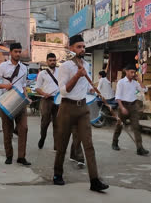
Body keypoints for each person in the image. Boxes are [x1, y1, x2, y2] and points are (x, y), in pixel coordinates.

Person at [53, 35, 109, 192]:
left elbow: (88, 87)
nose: (82, 49)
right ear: (71, 48)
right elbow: (63, 91)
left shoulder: (86, 64)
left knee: (89, 145)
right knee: (62, 144)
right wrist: (77, 75)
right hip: (67, 108)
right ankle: (57, 174)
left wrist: (96, 90)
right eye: (79, 47)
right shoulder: (65, 67)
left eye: (84, 47)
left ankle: (94, 180)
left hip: (83, 108)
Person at [0, 43, 31, 166]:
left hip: (20, 101)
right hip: (6, 100)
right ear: (10, 52)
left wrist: (26, 97)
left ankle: (21, 157)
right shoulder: (3, 66)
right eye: (15, 51)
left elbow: (24, 85)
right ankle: (9, 155)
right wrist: (5, 85)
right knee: (7, 130)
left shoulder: (24, 68)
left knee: (23, 129)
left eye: (20, 51)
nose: (18, 54)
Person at [112, 64, 149, 156]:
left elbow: (144, 90)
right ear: (126, 72)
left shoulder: (135, 83)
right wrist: (122, 107)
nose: (133, 74)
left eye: (134, 72)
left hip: (133, 106)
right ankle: (115, 142)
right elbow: (118, 97)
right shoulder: (121, 82)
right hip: (123, 105)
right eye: (131, 72)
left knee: (136, 127)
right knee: (119, 125)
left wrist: (139, 79)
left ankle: (139, 148)